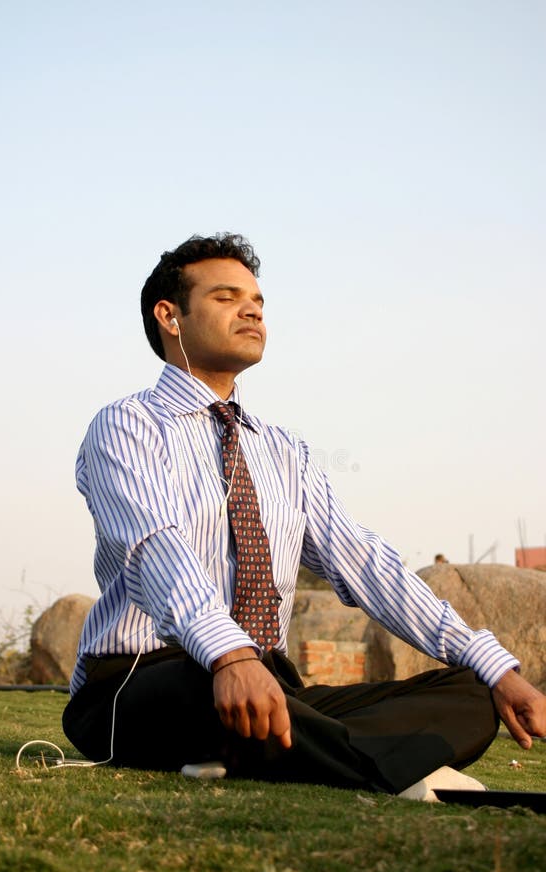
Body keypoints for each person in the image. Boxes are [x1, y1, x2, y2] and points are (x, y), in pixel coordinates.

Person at [63, 233, 546, 798]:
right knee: (203, 685)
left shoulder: (283, 451)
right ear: (170, 316)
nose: (251, 310)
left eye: (258, 302)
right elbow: (154, 545)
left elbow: (366, 565)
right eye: (225, 297)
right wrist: (227, 655)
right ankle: (387, 767)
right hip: (138, 680)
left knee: (469, 695)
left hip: (266, 683)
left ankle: (262, 754)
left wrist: (497, 669)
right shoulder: (128, 424)